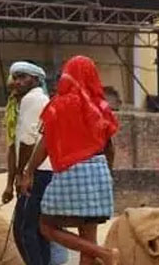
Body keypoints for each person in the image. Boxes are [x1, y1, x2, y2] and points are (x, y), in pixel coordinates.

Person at [18, 56, 120, 265]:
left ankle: (105, 254)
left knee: (46, 226)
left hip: (72, 171)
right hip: (99, 169)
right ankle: (99, 252)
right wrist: (107, 174)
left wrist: (28, 172)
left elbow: (45, 145)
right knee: (87, 237)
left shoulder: (59, 105)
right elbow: (110, 147)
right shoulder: (99, 106)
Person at [3, 61, 56, 265]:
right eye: (15, 78)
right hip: (44, 171)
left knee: (24, 230)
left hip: (36, 172)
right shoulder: (39, 99)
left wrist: (22, 174)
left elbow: (27, 141)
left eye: (22, 77)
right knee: (37, 230)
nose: (17, 82)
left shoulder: (32, 100)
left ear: (35, 80)